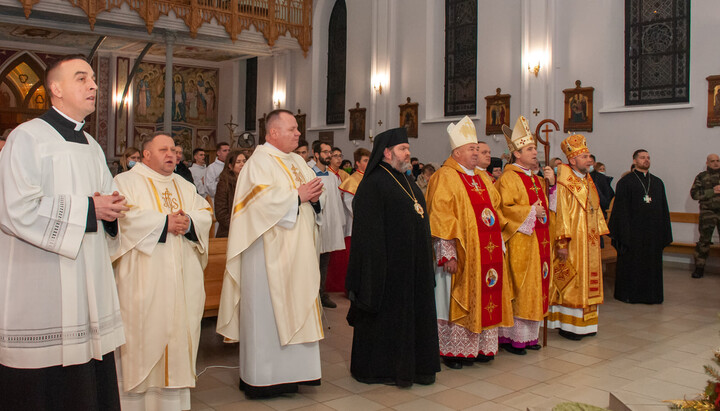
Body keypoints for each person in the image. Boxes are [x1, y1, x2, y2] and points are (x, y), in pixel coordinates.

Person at [0, 54, 127, 410]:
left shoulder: (92, 145)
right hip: (41, 284)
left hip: (87, 282)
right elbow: (14, 210)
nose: (94, 86)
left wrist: (112, 209)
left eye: (93, 79)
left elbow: (105, 200)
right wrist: (90, 209)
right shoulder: (27, 138)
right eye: (82, 78)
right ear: (55, 88)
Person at [216, 109, 325, 399]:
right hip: (266, 254)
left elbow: (310, 200)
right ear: (273, 132)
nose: (299, 134)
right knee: (267, 315)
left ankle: (297, 374)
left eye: (298, 129)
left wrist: (313, 200)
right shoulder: (258, 163)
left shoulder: (298, 162)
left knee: (299, 305)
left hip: (299, 252)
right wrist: (297, 197)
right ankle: (263, 378)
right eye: (293, 129)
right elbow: (256, 206)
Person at [112, 132, 212, 410]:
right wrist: (162, 223)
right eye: (163, 149)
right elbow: (122, 218)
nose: (171, 154)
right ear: (146, 155)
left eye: (174, 150)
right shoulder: (125, 182)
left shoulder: (184, 184)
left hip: (183, 279)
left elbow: (205, 213)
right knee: (142, 340)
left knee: (178, 340)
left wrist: (189, 222)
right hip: (143, 279)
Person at [346, 127, 440, 387]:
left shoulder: (406, 179)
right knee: (389, 322)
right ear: (386, 152)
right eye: (402, 149)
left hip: (413, 266)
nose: (408, 153)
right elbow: (368, 235)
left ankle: (417, 367)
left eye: (408, 148)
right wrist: (376, 270)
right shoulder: (374, 183)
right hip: (385, 271)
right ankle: (382, 370)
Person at [426, 116, 513, 369]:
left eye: (477, 148)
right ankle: (453, 350)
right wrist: (447, 253)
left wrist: (500, 243)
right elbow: (440, 216)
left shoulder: (484, 178)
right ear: (457, 152)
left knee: (487, 295)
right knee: (453, 298)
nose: (477, 153)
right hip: (460, 254)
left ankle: (482, 347)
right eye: (472, 149)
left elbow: (495, 212)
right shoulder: (445, 176)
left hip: (487, 253)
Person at [495, 116, 555, 355]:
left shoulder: (536, 178)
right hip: (520, 241)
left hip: (538, 241)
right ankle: (513, 338)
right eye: (530, 149)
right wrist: (531, 211)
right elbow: (504, 208)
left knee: (535, 286)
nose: (535, 152)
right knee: (520, 286)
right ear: (517, 154)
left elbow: (549, 208)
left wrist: (551, 185)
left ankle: (530, 337)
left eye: (535, 149)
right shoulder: (508, 177)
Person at [548, 134, 609, 339]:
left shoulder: (588, 180)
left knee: (589, 280)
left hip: (589, 241)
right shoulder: (565, 183)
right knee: (573, 280)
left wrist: (598, 231)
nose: (589, 160)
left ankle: (588, 325)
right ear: (572, 160)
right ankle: (570, 326)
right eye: (584, 157)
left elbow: (595, 208)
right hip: (573, 242)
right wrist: (562, 243)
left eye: (589, 156)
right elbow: (562, 215)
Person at [609, 149, 672, 303]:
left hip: (652, 235)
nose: (646, 160)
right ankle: (629, 295)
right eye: (643, 158)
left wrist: (663, 232)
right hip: (632, 235)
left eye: (648, 158)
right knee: (632, 265)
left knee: (651, 266)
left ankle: (652, 296)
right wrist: (624, 235)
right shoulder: (625, 182)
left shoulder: (657, 182)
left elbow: (664, 209)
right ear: (635, 160)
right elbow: (620, 211)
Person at [312, 140, 346, 308]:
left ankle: (322, 293)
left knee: (325, 260)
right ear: (316, 154)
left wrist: (339, 222)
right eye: (325, 152)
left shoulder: (332, 177)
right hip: (314, 225)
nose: (329, 155)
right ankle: (310, 295)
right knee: (312, 261)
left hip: (329, 224)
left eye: (330, 152)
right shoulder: (309, 174)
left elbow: (336, 203)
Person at [690, 154, 720, 278]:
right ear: (707, 163)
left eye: (718, 161)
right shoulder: (701, 177)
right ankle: (699, 268)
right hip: (708, 213)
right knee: (704, 241)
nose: (716, 163)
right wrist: (712, 191)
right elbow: (694, 194)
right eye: (713, 161)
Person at [215, 150, 247, 238]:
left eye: (244, 161)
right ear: (230, 166)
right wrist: (238, 226)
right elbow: (221, 214)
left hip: (247, 231)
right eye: (238, 162)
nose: (242, 164)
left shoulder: (249, 182)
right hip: (228, 232)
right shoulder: (224, 184)